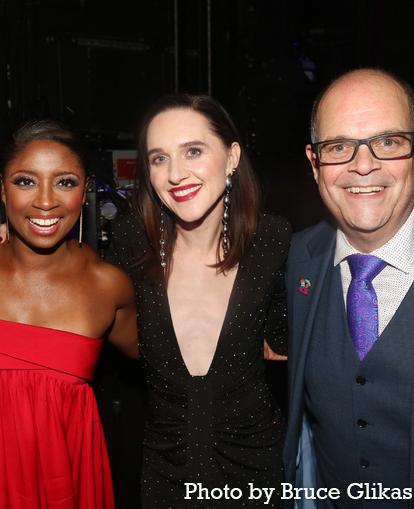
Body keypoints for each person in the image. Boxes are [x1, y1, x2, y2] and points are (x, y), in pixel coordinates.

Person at [283, 68, 414, 508]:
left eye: (388, 142)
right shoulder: (290, 262)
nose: (363, 165)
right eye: (338, 146)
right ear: (315, 164)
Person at [0, 119, 138, 508]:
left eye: (65, 182)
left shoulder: (108, 285)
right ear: (3, 190)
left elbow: (167, 365)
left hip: (63, 482)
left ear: (85, 191)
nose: (46, 201)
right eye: (26, 181)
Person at [106, 94, 290, 508]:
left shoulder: (271, 241)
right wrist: (8, 243)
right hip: (164, 473)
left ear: (231, 157)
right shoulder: (131, 240)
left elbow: (288, 342)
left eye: (193, 151)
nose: (176, 174)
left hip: (258, 469)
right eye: (158, 158)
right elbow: (77, 292)